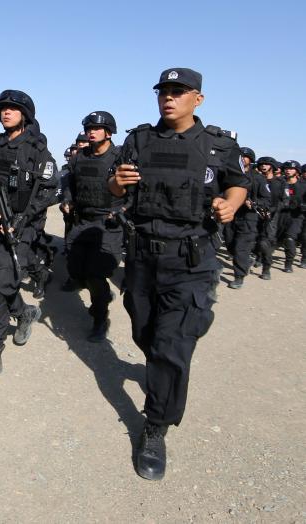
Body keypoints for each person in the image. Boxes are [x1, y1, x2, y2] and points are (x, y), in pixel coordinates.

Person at [109, 68, 248, 480]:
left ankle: (156, 424)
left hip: (191, 261)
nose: (168, 98)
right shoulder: (138, 140)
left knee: (172, 345)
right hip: (141, 258)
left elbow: (239, 183)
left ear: (197, 99)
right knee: (145, 333)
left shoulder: (219, 145)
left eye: (178, 92)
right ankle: (164, 367)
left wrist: (232, 203)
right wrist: (117, 183)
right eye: (164, 91)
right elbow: (115, 189)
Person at [0, 89, 56, 386]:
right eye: (3, 108)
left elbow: (48, 189)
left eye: (13, 109)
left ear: (25, 115)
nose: (6, 112)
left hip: (22, 230)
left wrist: (20, 219)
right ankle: (24, 312)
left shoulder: (37, 148)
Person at [63, 111, 125, 342]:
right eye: (88, 128)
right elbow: (68, 182)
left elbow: (135, 190)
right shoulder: (79, 157)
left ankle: (100, 317)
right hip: (82, 221)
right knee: (76, 270)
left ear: (108, 132)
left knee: (95, 273)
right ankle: (101, 294)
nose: (91, 132)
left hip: (108, 224)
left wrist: (122, 210)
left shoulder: (119, 157)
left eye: (96, 128)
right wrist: (67, 200)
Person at [226, 147, 271, 289]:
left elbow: (267, 199)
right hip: (231, 215)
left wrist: (253, 204)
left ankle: (239, 276)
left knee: (241, 247)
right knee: (230, 243)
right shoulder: (231, 174)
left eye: (244, 157)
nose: (241, 158)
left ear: (250, 160)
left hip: (248, 218)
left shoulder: (258, 178)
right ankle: (245, 261)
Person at [254, 156, 287, 280]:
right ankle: (258, 257)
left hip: (272, 216)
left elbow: (285, 200)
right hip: (255, 214)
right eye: (261, 164)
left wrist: (272, 210)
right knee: (255, 239)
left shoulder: (281, 182)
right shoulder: (256, 180)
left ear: (272, 167)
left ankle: (266, 268)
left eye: (266, 164)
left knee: (265, 241)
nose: (263, 166)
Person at [278, 160, 305, 273]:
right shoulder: (279, 183)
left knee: (290, 238)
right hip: (280, 215)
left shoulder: (303, 185)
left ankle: (288, 263)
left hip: (296, 216)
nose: (288, 170)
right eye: (287, 168)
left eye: (291, 169)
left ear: (297, 171)